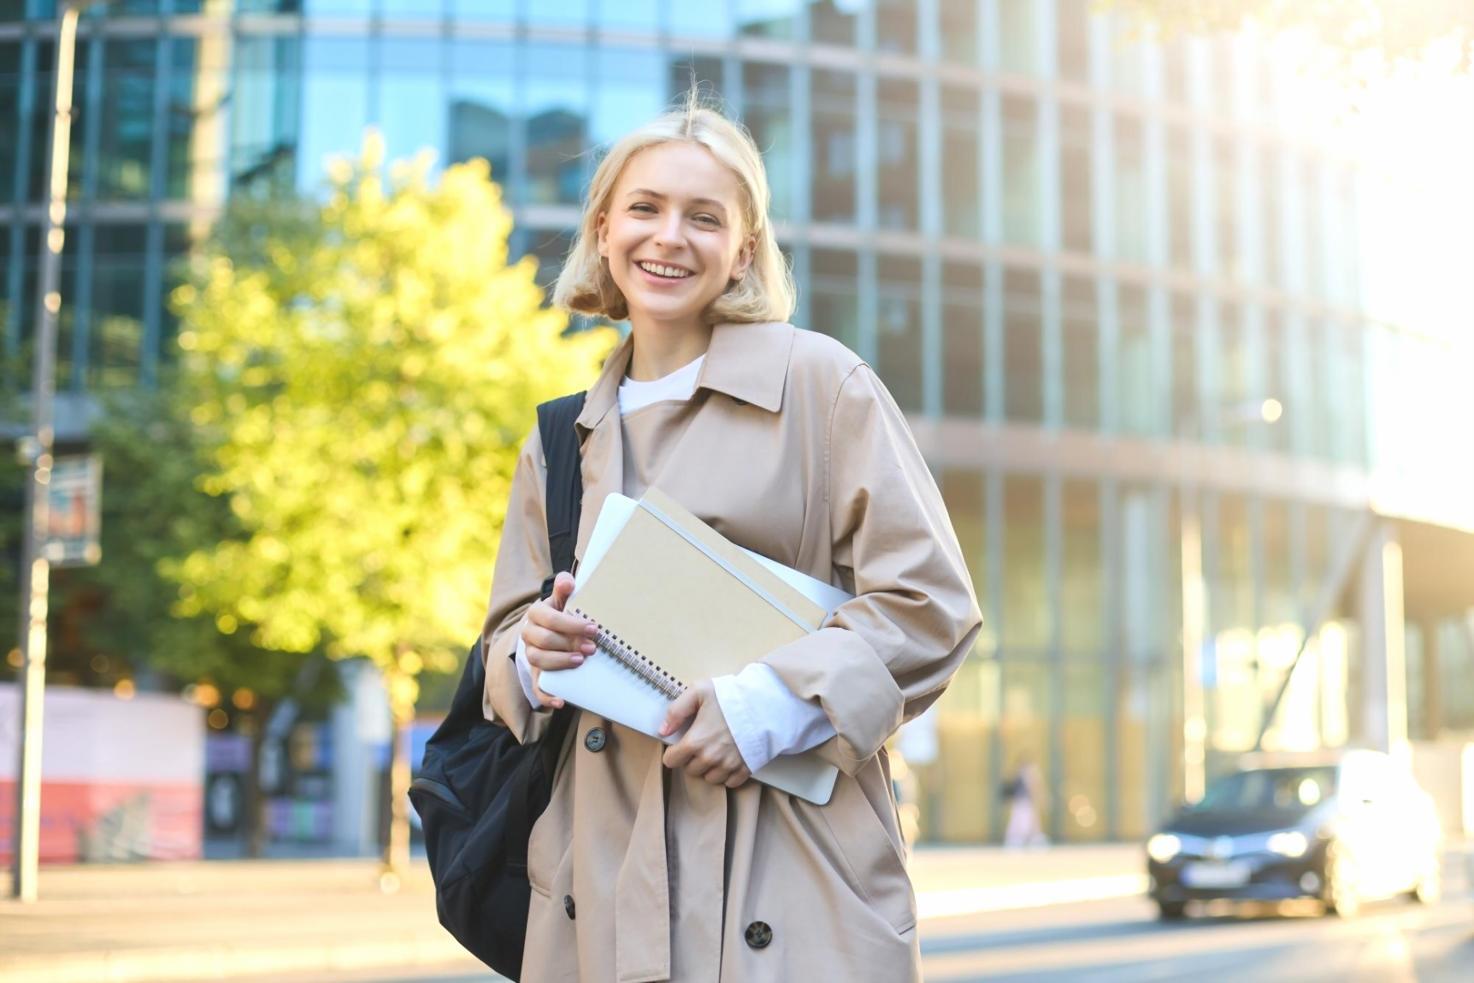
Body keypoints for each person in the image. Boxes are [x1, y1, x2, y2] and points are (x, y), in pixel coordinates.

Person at [479, 93, 982, 982]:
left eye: (703, 217)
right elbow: (503, 639)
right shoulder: (563, 437)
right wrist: (530, 656)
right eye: (644, 208)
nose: (669, 237)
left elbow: (931, 607)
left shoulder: (823, 385)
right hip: (594, 884)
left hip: (787, 877)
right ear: (603, 228)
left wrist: (764, 708)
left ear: (743, 249)